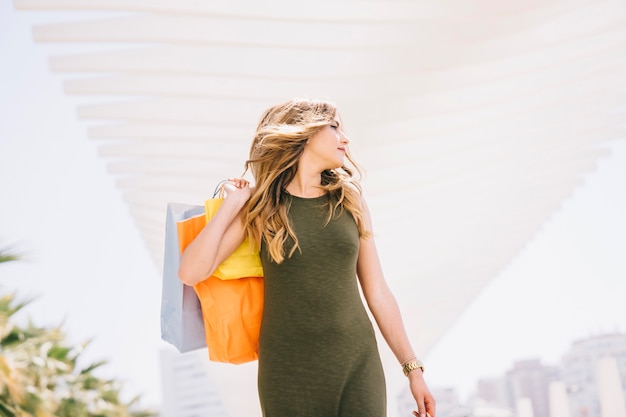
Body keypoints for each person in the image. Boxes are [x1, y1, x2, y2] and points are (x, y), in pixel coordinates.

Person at [178, 98, 436, 417]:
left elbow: (378, 292)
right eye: (334, 127)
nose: (345, 138)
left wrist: (413, 369)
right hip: (288, 372)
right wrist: (235, 204)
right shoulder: (262, 208)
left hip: (357, 363)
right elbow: (191, 272)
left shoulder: (349, 201)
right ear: (305, 133)